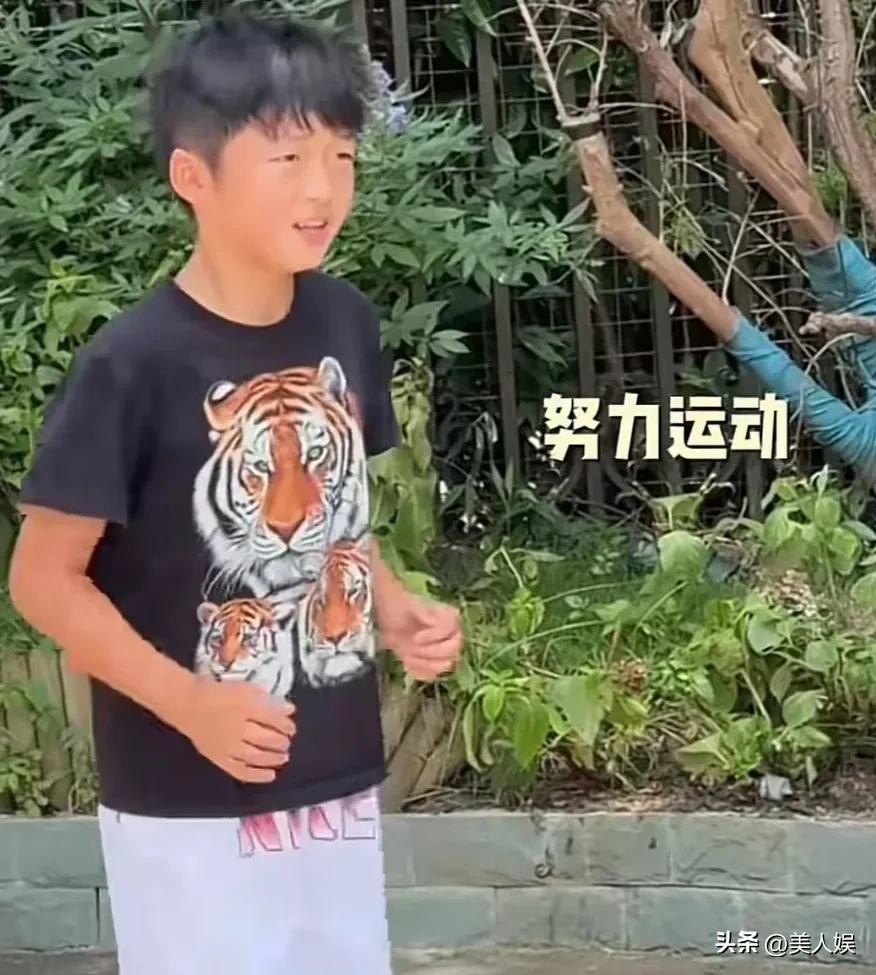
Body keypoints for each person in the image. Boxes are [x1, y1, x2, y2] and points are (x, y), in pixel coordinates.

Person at [8, 13, 463, 975]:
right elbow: (43, 581)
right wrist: (191, 702)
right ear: (194, 177)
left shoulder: (345, 322)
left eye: (341, 156)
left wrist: (391, 607)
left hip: (337, 783)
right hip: (188, 799)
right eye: (287, 158)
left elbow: (336, 512)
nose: (323, 189)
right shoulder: (129, 366)